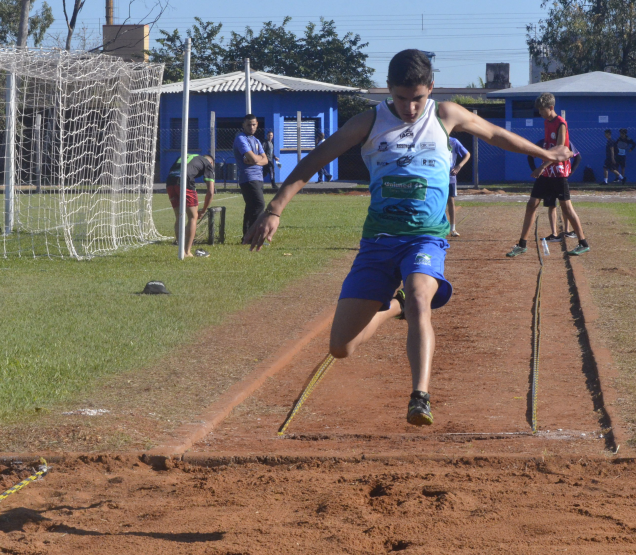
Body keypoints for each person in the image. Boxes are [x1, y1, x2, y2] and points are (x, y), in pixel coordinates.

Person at [244, 49, 571, 426]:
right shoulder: (368, 122)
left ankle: (420, 396)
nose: (410, 107)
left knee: (421, 299)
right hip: (379, 241)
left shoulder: (446, 114)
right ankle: (394, 306)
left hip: (426, 238)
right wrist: (275, 209)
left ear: (430, 89)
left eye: (417, 98)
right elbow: (315, 159)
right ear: (389, 90)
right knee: (340, 347)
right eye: (401, 98)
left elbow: (497, 135)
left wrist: (544, 152)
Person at [507, 92, 590, 257]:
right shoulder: (547, 122)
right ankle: (522, 244)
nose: (539, 113)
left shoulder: (561, 123)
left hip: (558, 173)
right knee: (531, 204)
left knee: (566, 207)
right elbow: (549, 148)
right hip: (547, 173)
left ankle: (583, 243)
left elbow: (559, 151)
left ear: (551, 108)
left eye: (542, 109)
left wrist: (541, 167)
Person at [527, 139, 581, 241]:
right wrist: (535, 170)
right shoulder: (543, 142)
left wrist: (571, 172)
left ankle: (567, 230)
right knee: (551, 205)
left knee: (565, 205)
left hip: (560, 177)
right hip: (547, 177)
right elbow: (530, 155)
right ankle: (554, 234)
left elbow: (577, 156)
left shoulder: (566, 143)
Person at [165, 153, 215, 257]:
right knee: (193, 217)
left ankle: (181, 250)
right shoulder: (208, 164)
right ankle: (187, 252)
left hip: (170, 181)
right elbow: (210, 191)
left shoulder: (189, 156)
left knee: (179, 216)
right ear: (211, 163)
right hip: (184, 183)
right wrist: (203, 210)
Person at [233, 115, 268, 237]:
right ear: (243, 125)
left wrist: (255, 160)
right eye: (248, 124)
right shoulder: (241, 138)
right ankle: (255, 235)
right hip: (248, 177)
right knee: (259, 205)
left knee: (251, 208)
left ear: (257, 124)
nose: (251, 127)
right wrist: (257, 159)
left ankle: (247, 237)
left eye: (253, 124)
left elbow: (266, 160)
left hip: (258, 177)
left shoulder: (256, 140)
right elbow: (253, 157)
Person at [447, 135, 470, 237]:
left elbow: (467, 154)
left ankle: (453, 229)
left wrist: (459, 166)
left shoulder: (453, 141)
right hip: (436, 176)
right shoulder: (432, 139)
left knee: (451, 201)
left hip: (450, 176)